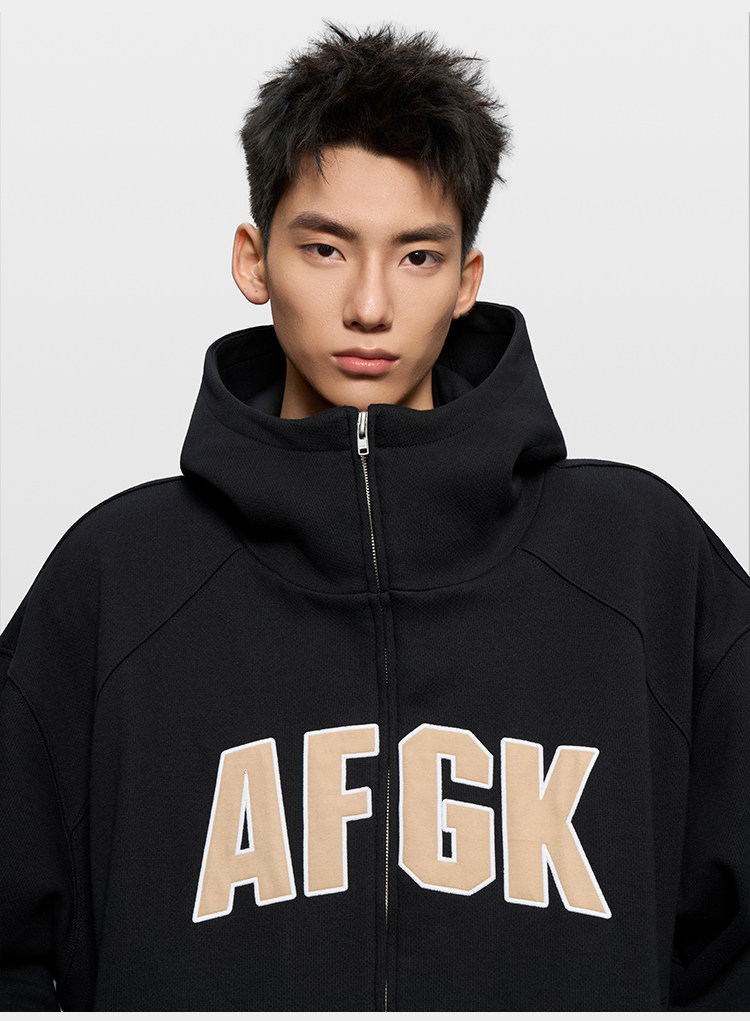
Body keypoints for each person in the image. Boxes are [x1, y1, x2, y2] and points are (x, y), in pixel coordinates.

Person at [1, 22, 748, 1011]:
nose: (368, 305)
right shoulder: (119, 579)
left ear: (467, 280)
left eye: (417, 256)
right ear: (253, 260)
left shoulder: (637, 559)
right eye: (324, 248)